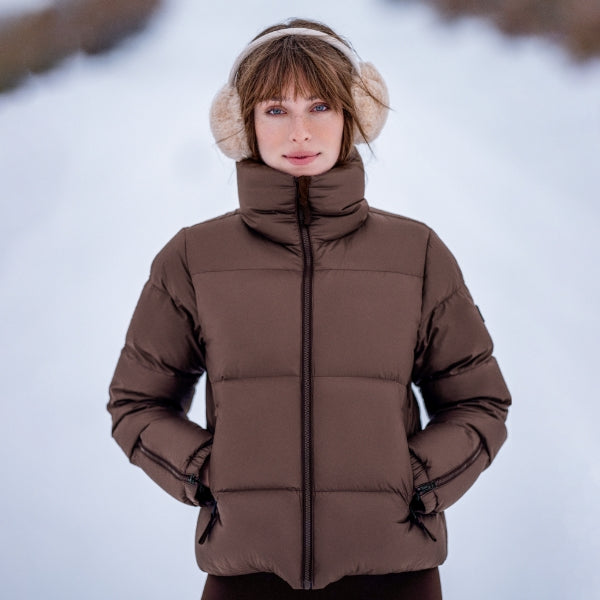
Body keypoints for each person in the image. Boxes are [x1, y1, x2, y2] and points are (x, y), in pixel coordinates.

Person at [107, 18, 511, 600]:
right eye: (275, 109)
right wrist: (206, 476)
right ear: (242, 121)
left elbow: (479, 401)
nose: (300, 131)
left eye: (320, 105)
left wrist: (416, 484)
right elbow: (136, 403)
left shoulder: (415, 252)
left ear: (354, 115)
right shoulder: (194, 257)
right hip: (246, 578)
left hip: (396, 574)